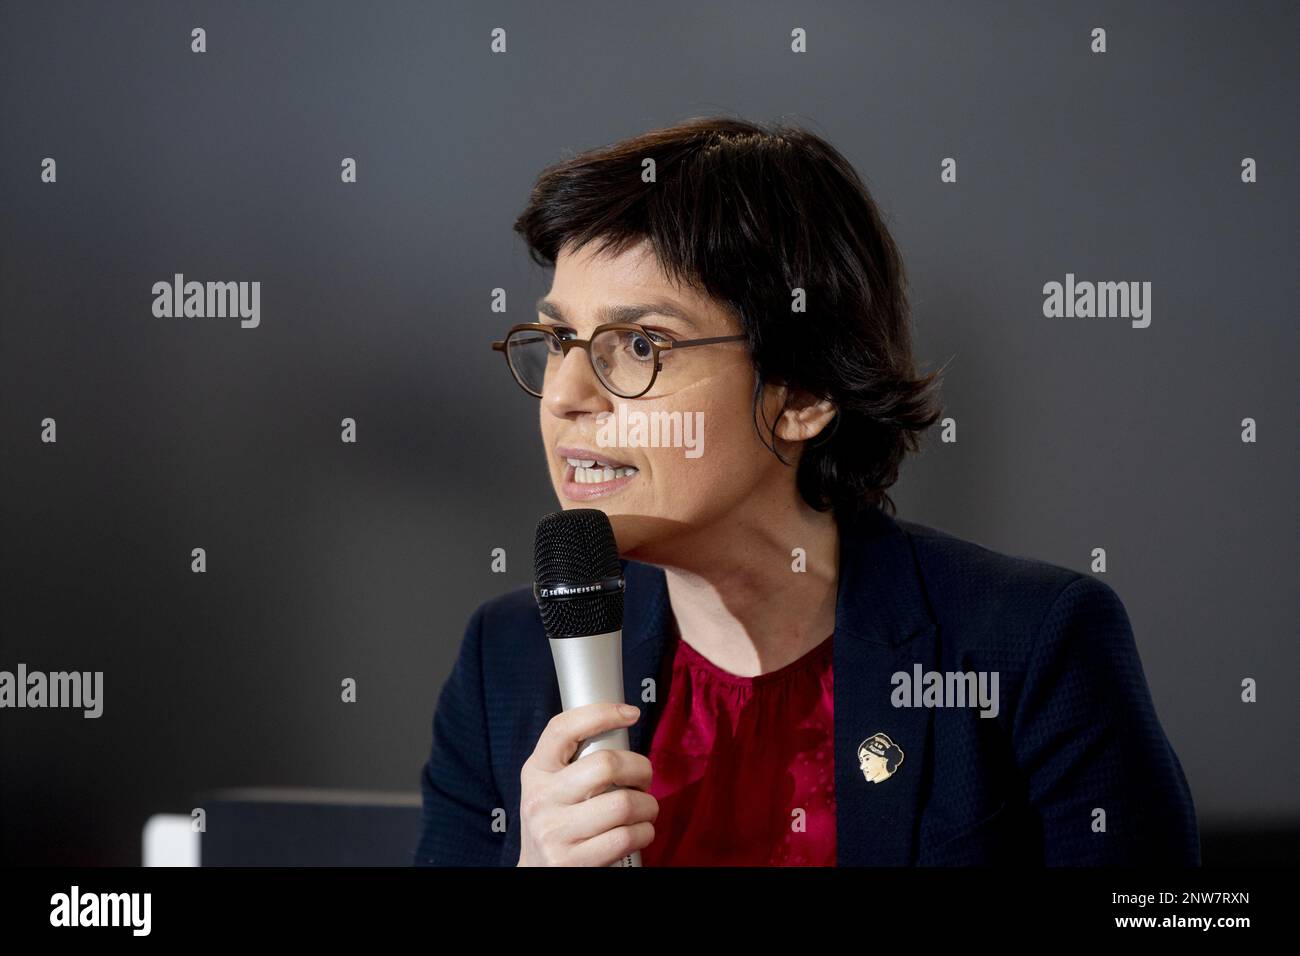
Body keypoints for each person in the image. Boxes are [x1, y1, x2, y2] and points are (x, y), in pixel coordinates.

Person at [414, 116, 1199, 867]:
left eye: (640, 344)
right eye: (558, 341)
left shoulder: (1029, 646)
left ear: (802, 395)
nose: (565, 395)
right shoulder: (507, 662)